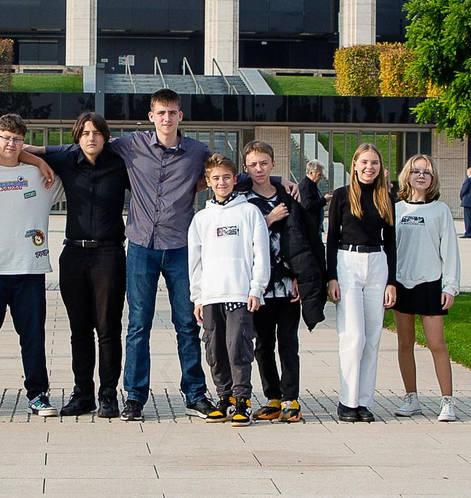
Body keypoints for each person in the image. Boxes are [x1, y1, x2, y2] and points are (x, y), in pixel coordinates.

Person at [115, 89, 212, 419]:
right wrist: (33, 154)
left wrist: (279, 182)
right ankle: (135, 396)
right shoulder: (132, 145)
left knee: (187, 323)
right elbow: (86, 148)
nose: (166, 118)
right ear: (151, 116)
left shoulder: (197, 151)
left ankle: (195, 393)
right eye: (161, 113)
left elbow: (224, 174)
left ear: (180, 116)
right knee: (138, 324)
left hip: (180, 247)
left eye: (172, 112)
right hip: (141, 246)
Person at [39, 112, 130, 417]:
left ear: (106, 137)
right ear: (77, 137)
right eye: (86, 133)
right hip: (74, 255)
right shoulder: (66, 160)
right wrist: (39, 161)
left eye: (97, 133)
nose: (91, 138)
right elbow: (24, 151)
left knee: (108, 329)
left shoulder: (120, 164)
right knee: (79, 330)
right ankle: (83, 394)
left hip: (109, 255)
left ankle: (108, 396)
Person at [0, 114, 55, 417]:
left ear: (23, 142)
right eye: (5, 137)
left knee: (33, 338)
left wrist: (37, 159)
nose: (11, 144)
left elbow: (73, 156)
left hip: (28, 269)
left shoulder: (38, 174)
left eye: (17, 139)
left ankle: (38, 394)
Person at [241, 141, 320, 423]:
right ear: (246, 168)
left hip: (287, 286)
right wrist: (268, 219)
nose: (259, 169)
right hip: (259, 287)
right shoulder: (243, 201)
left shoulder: (289, 198)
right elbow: (243, 239)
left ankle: (291, 398)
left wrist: (300, 276)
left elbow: (302, 239)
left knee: (288, 343)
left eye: (264, 163)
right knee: (263, 345)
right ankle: (272, 397)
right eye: (253, 164)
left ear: (273, 164)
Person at [189, 153, 269, 424]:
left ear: (235, 179)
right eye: (216, 178)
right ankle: (224, 398)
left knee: (238, 348)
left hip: (239, 293)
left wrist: (256, 288)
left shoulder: (249, 212)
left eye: (226, 177)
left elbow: (261, 254)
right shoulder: (201, 218)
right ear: (208, 182)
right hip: (211, 295)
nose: (221, 182)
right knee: (215, 350)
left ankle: (242, 400)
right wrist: (198, 297)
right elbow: (195, 262)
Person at [325, 143, 399, 422]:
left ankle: (363, 402)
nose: (370, 167)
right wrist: (331, 276)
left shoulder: (385, 197)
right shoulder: (343, 195)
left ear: (381, 168)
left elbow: (391, 241)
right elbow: (331, 238)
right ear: (354, 165)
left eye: (375, 163)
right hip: (348, 263)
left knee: (372, 337)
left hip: (377, 264)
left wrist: (392, 281)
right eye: (364, 162)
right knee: (353, 336)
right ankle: (347, 401)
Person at [389, 153, 464, 422]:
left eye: (426, 172)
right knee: (404, 342)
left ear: (432, 179)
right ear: (407, 176)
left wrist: (450, 286)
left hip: (430, 283)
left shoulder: (440, 210)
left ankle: (447, 401)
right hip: (402, 284)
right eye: (416, 171)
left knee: (436, 344)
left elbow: (450, 251)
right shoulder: (396, 209)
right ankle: (411, 398)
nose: (421, 176)